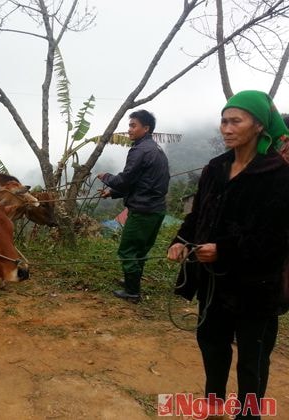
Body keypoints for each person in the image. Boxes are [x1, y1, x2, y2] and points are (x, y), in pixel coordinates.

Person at [167, 90, 289, 419]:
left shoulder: (278, 174)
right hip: (214, 283)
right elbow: (197, 217)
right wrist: (181, 241)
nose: (226, 128)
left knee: (253, 355)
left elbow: (275, 236)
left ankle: (249, 413)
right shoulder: (215, 168)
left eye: (236, 121)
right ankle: (214, 403)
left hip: (256, 284)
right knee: (212, 343)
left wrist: (224, 250)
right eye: (223, 120)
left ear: (259, 126)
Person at [97, 109, 170, 303]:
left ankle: (132, 292)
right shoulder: (156, 150)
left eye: (133, 125)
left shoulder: (140, 150)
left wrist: (106, 178)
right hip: (156, 209)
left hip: (143, 211)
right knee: (139, 251)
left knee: (127, 251)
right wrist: (112, 193)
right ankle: (132, 283)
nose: (129, 130)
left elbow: (126, 180)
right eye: (129, 125)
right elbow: (141, 182)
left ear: (146, 128)